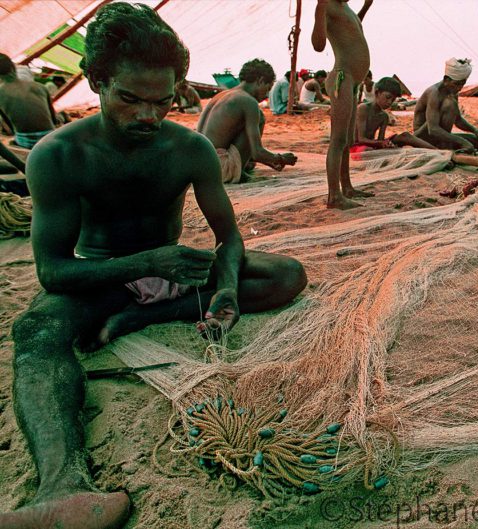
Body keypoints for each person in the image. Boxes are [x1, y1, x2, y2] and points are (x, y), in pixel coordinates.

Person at [0, 4, 308, 528]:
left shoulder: (189, 149)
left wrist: (227, 285)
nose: (148, 115)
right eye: (129, 99)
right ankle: (62, 486)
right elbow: (53, 272)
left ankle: (145, 317)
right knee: (36, 330)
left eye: (163, 101)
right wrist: (147, 262)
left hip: (175, 273)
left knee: (287, 274)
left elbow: (228, 236)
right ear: (96, 82)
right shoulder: (57, 155)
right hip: (102, 277)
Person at [312, 0, 375, 209]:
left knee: (347, 139)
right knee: (338, 140)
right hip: (341, 78)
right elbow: (318, 45)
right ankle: (334, 196)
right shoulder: (327, 5)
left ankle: (347, 187)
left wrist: (366, 7)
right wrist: (320, 7)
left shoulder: (345, 8)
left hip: (353, 82)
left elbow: (355, 30)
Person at [198, 59, 297, 184]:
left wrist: (268, 161)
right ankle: (237, 172)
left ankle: (238, 166)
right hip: (216, 170)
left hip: (198, 165)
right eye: (267, 88)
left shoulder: (222, 95)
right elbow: (257, 152)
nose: (266, 94)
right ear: (260, 80)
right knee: (259, 117)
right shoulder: (248, 102)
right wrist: (281, 159)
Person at [413, 58, 478, 153]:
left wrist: (474, 130)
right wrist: (463, 142)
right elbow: (433, 129)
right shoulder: (434, 93)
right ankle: (445, 146)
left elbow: (458, 120)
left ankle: (445, 145)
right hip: (422, 137)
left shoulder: (452, 92)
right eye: (456, 84)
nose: (459, 88)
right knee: (450, 104)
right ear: (446, 80)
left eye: (462, 84)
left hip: (440, 137)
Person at [351, 76, 436, 153]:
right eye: (387, 97)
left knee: (405, 136)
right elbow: (360, 139)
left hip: (373, 145)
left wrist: (385, 144)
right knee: (368, 150)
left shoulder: (384, 116)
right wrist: (381, 143)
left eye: (393, 100)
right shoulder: (363, 109)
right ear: (377, 93)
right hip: (357, 146)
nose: (389, 102)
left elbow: (380, 140)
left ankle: (437, 151)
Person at [0, 53, 57, 149]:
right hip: (49, 137)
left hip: (25, 141)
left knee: (12, 142)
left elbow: (10, 127)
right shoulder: (39, 87)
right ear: (14, 67)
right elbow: (53, 119)